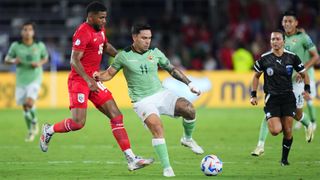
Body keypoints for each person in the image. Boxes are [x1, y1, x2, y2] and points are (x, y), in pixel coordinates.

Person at [39, 2, 153, 171]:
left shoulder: (100, 30)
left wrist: (123, 56)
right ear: (90, 16)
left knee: (116, 115)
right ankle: (49, 130)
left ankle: (131, 158)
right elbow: (74, 60)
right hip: (79, 81)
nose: (104, 21)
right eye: (101, 17)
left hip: (94, 79)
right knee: (78, 123)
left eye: (105, 17)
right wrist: (87, 80)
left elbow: (104, 46)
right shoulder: (83, 32)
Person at [94, 23, 204, 177]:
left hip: (161, 93)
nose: (148, 41)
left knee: (189, 109)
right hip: (142, 101)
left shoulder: (155, 52)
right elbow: (109, 74)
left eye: (149, 38)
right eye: (144, 38)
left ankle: (187, 139)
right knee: (157, 128)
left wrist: (189, 83)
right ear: (134, 37)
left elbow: (171, 69)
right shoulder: (123, 56)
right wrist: (98, 76)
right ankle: (167, 168)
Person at [251, 11, 319, 156]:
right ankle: (260, 145)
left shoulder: (303, 38)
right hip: (280, 84)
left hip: (297, 81)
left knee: (297, 113)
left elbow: (316, 57)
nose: (287, 24)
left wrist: (303, 71)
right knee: (270, 113)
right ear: (282, 23)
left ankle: (308, 124)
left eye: (290, 21)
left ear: (296, 23)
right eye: (285, 21)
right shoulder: (278, 38)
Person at [5, 22, 48, 142]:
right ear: (21, 32)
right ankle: (31, 129)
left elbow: (45, 58)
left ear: (33, 32)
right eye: (25, 29)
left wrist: (39, 63)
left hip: (35, 78)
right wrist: (14, 60)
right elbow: (7, 59)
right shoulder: (16, 46)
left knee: (29, 103)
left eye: (29, 30)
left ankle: (34, 122)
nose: (27, 32)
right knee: (25, 107)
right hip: (21, 80)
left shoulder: (39, 45)